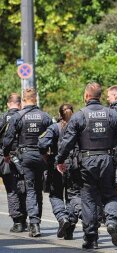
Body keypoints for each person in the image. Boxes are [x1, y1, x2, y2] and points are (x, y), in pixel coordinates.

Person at [55, 82, 117, 249]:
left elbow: (67, 142)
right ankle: (111, 222)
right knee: (110, 194)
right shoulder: (111, 114)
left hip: (87, 162)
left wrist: (60, 160)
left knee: (88, 198)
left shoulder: (79, 116)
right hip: (107, 160)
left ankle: (91, 238)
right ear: (99, 96)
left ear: (87, 96)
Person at [3, 88, 53, 237]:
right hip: (41, 156)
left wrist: (6, 155)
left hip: (25, 156)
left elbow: (8, 138)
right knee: (38, 190)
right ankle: (37, 222)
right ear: (35, 99)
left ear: (24, 100)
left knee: (30, 189)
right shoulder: (45, 116)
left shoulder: (18, 116)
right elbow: (53, 136)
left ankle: (34, 224)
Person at [38, 104, 82, 240]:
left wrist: (46, 156)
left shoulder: (54, 127)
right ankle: (69, 230)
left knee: (55, 195)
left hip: (56, 165)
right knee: (72, 197)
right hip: (74, 165)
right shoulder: (78, 126)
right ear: (72, 113)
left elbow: (41, 143)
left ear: (59, 114)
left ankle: (62, 218)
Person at [0, 93, 27, 233]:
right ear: (20, 104)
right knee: (24, 189)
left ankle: (17, 222)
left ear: (8, 104)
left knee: (12, 189)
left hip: (8, 158)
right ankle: (25, 219)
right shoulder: (24, 116)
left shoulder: (3, 118)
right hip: (24, 156)